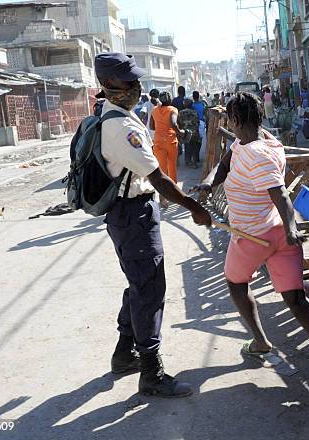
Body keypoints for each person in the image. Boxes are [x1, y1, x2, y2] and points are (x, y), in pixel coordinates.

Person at [192, 92, 309, 385]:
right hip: (278, 235)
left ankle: (260, 341)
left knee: (236, 283)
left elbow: (280, 193)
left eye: (230, 122)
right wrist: (209, 185)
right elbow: (224, 163)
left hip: (252, 236)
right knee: (295, 298)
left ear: (234, 120)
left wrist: (291, 225)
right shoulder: (259, 141)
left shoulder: (255, 153)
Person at [93, 52, 211, 398]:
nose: (137, 87)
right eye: (131, 82)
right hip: (133, 215)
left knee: (139, 284)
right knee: (149, 290)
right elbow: (158, 179)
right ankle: (151, 372)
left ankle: (124, 353)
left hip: (128, 213)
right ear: (111, 85)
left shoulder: (112, 116)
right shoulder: (120, 126)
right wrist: (194, 207)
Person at [150, 91, 184, 207]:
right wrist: (180, 132)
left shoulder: (154, 110)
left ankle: (162, 197)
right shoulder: (172, 109)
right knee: (172, 168)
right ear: (169, 99)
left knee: (162, 170)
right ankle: (174, 195)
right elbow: (174, 124)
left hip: (158, 142)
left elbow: (151, 126)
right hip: (170, 142)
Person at [178, 98, 202, 168]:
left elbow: (179, 123)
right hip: (194, 132)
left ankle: (188, 161)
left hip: (186, 133)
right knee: (194, 147)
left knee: (187, 147)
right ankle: (194, 161)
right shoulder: (195, 112)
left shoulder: (180, 112)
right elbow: (197, 122)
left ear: (184, 104)